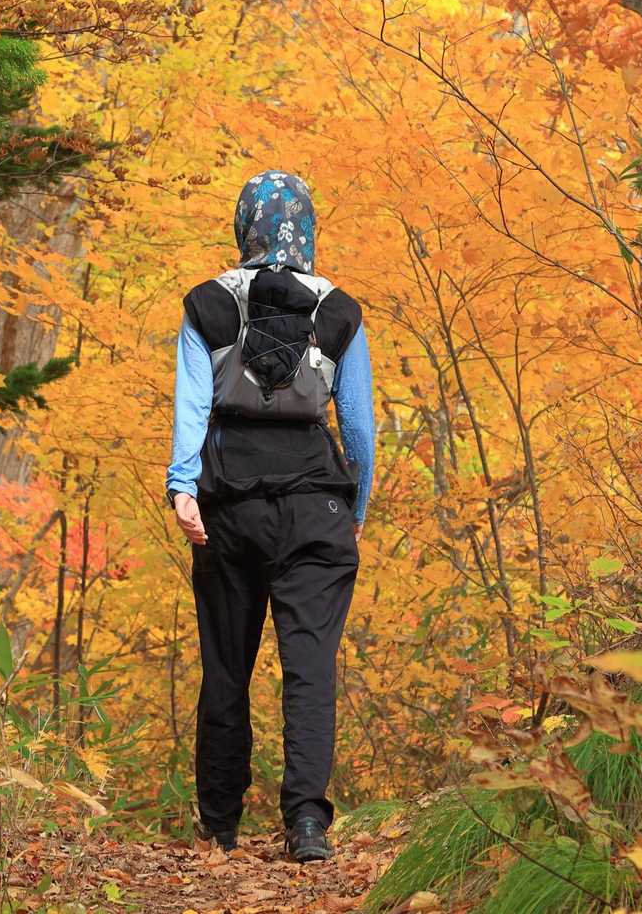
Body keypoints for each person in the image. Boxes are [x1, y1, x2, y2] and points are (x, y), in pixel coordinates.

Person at [166, 169, 376, 864]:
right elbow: (358, 427)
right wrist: (356, 506)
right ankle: (307, 822)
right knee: (310, 666)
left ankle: (219, 824)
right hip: (316, 505)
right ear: (308, 229)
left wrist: (183, 487)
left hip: (229, 503)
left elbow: (193, 405)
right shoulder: (339, 311)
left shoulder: (207, 305)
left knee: (226, 664)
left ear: (243, 226)